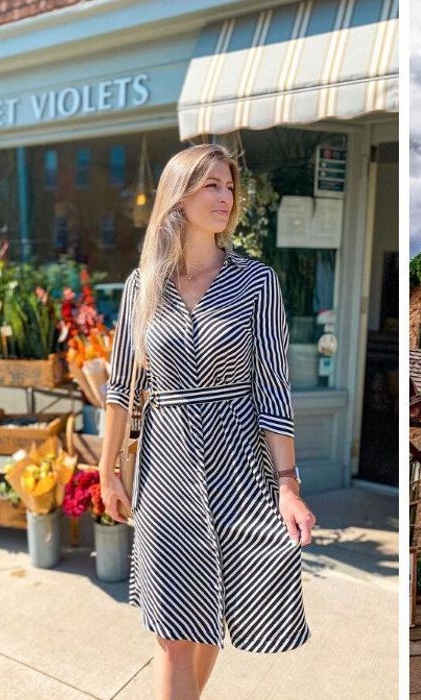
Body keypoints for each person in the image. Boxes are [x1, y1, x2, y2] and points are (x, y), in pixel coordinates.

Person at [97, 143, 315, 700]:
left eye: (229, 187)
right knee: (173, 630)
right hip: (166, 470)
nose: (225, 197)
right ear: (179, 194)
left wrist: (287, 485)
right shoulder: (141, 287)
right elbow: (121, 388)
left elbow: (273, 388)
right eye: (211, 185)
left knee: (216, 613)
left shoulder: (257, 282)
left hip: (240, 467)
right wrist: (107, 471)